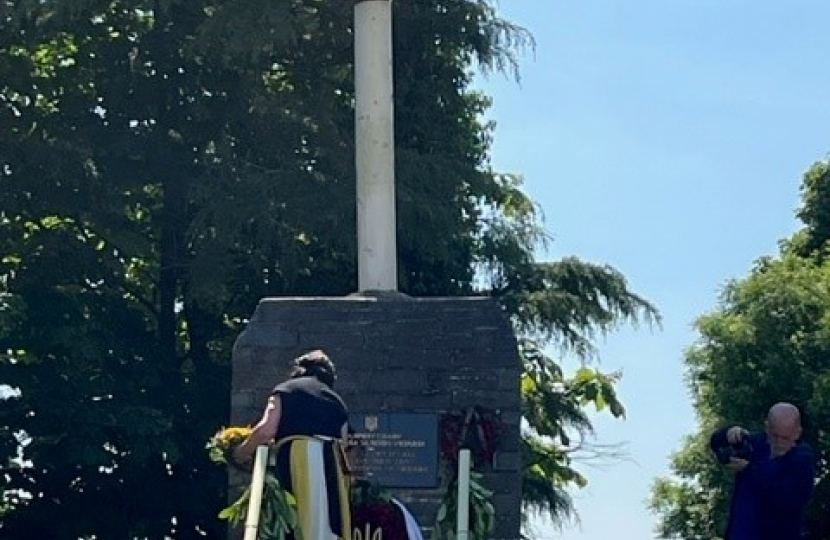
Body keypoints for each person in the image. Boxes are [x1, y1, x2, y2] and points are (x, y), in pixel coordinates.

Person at [233, 349, 351, 540]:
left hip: (297, 460)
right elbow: (344, 443)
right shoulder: (337, 402)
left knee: (296, 522)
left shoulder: (286, 390)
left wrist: (241, 451)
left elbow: (266, 430)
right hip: (331, 466)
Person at [710, 402, 815, 540]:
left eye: (785, 438)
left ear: (798, 432)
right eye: (774, 435)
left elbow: (786, 496)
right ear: (767, 427)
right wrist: (729, 433)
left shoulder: (802, 457)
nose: (778, 442)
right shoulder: (757, 443)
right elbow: (718, 445)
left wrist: (748, 469)